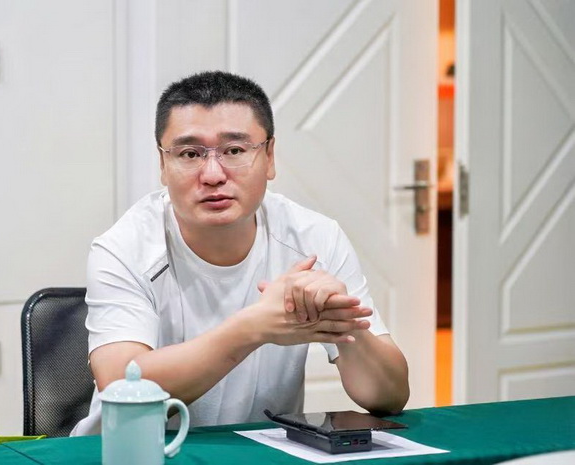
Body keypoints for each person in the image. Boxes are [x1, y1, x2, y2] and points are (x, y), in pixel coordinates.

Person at [71, 71, 409, 435]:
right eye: (189, 154)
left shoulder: (314, 238)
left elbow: (389, 397)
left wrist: (343, 321)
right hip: (133, 452)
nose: (213, 175)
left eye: (234, 151)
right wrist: (254, 327)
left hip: (264, 452)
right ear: (163, 165)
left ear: (269, 156)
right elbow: (122, 386)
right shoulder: (124, 247)